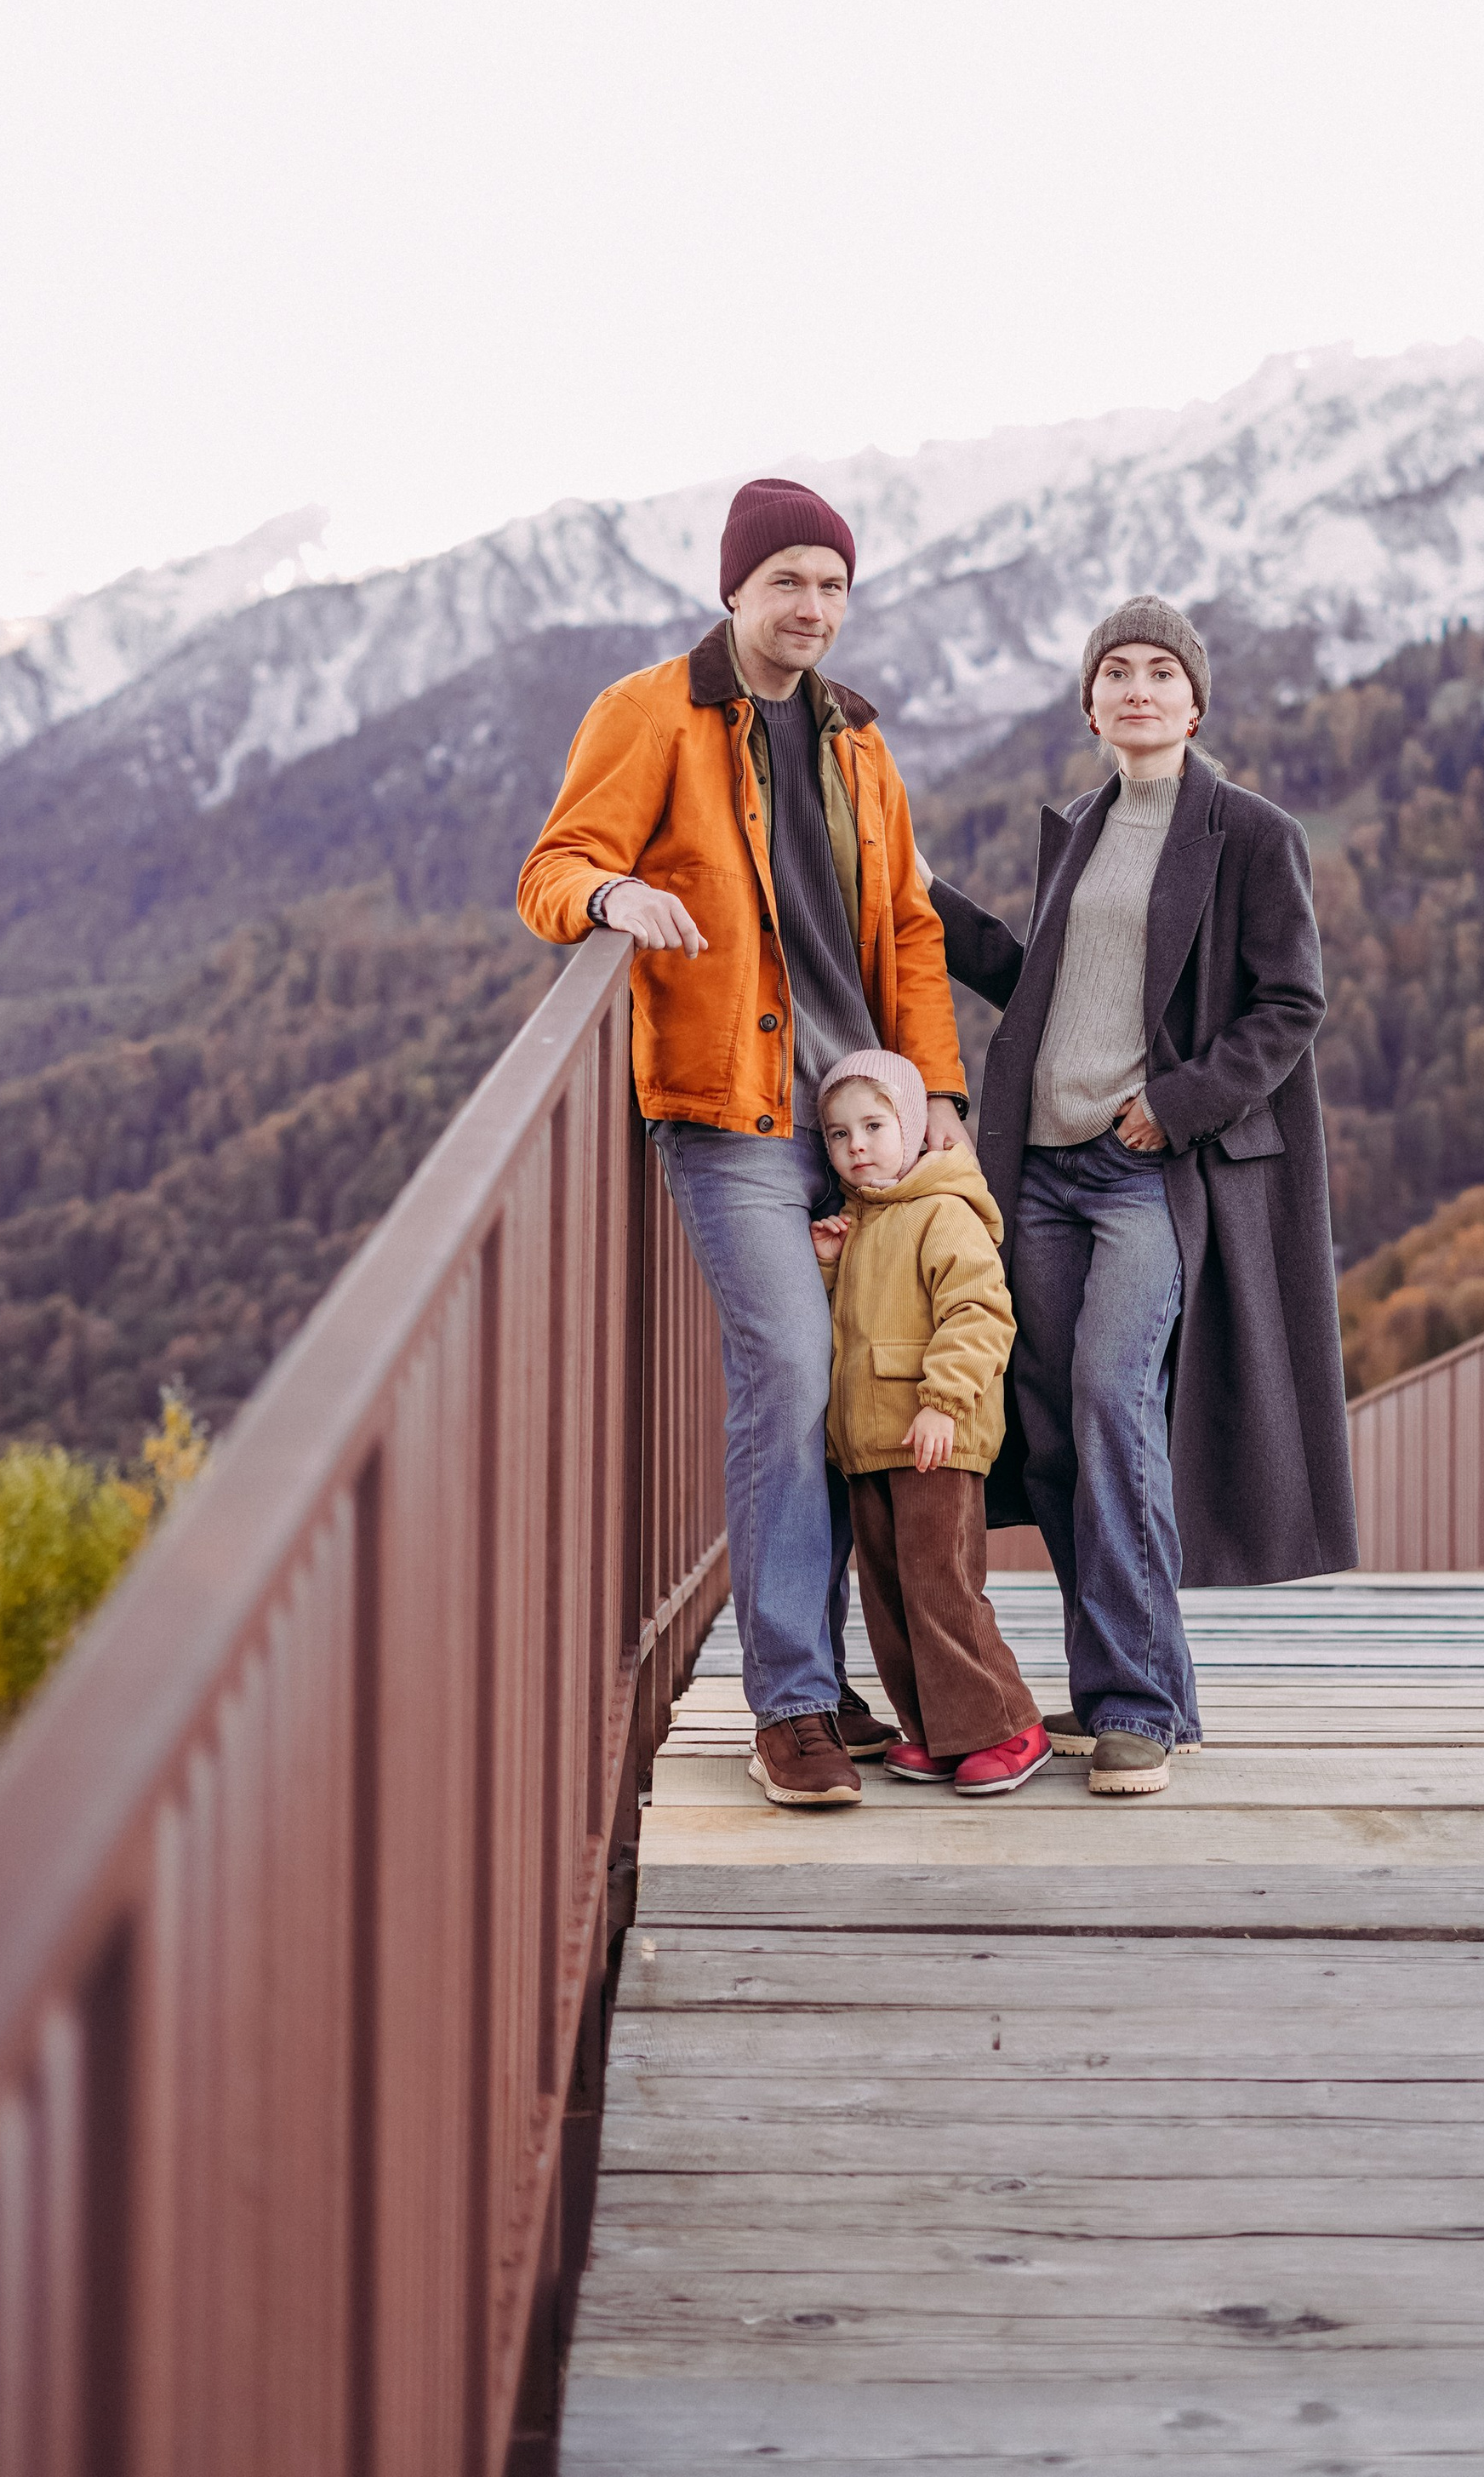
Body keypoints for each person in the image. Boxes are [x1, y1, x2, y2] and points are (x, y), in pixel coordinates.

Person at [517, 476, 971, 1810]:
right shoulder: (649, 711)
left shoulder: (857, 745)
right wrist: (613, 892)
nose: (812, 607)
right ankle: (789, 1708)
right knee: (788, 1369)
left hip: (864, 1124)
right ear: (735, 591)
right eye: (788, 583)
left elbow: (911, 933)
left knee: (863, 1398)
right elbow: (552, 866)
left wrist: (935, 1090)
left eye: (832, 586)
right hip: (731, 1118)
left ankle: (857, 1684)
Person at [928, 595, 1360, 1798]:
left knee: (1118, 1404)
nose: (1136, 689)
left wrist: (1178, 1103)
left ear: (1194, 700)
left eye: (1160, 672)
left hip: (1144, 1176)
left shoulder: (1251, 833)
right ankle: (1140, 1689)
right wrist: (929, 903)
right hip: (1044, 1169)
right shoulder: (1081, 825)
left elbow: (1291, 1005)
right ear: (1090, 703)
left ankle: (1134, 1708)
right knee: (1059, 1428)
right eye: (1114, 671)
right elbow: (1040, 983)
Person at [809, 1049, 1050, 1795]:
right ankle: (938, 1733)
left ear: (913, 1128)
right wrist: (824, 1267)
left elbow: (980, 1312)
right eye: (838, 1134)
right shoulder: (858, 1224)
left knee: (942, 1585)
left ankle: (1009, 1728)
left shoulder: (943, 1212)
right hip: (869, 1443)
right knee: (889, 1594)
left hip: (934, 1435)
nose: (857, 1147)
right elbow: (846, 1329)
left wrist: (944, 1402)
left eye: (875, 1126)